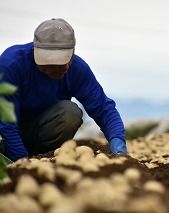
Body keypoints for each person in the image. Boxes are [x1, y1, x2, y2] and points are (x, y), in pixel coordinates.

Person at [0, 18, 127, 161]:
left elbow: (103, 108)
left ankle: (44, 157)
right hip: (6, 133)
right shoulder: (11, 65)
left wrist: (118, 140)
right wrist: (22, 162)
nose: (65, 68)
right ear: (38, 56)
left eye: (67, 59)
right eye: (56, 64)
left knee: (69, 113)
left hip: (38, 132)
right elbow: (6, 122)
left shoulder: (77, 69)